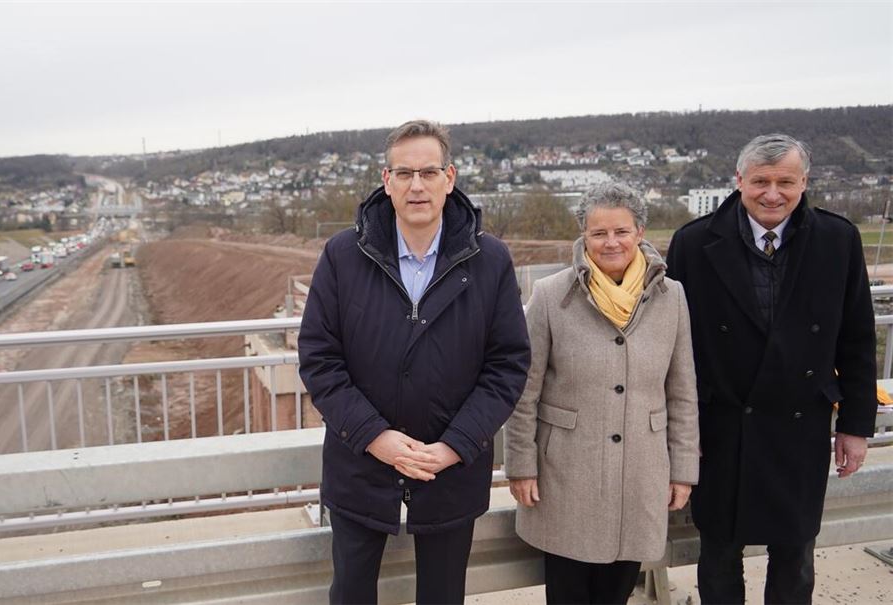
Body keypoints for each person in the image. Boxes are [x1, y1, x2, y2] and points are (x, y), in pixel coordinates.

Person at [298, 119, 531, 605]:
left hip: (450, 471)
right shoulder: (344, 254)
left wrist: (454, 445)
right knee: (352, 592)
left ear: (451, 177)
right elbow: (320, 360)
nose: (417, 186)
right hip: (359, 466)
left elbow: (507, 366)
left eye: (428, 172)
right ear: (386, 181)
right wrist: (374, 437)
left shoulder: (489, 260)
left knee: (443, 596)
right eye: (404, 174)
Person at [666, 133, 878, 604]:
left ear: (804, 182)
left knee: (795, 557)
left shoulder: (838, 240)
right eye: (760, 180)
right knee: (719, 554)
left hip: (799, 426)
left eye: (786, 181)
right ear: (739, 181)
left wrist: (856, 426)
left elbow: (858, 339)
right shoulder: (694, 242)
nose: (772, 193)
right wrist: (681, 430)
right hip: (720, 426)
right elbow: (675, 350)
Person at [503, 182, 700, 604]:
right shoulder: (552, 295)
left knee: (616, 594)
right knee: (569, 594)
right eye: (599, 233)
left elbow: (683, 392)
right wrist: (520, 465)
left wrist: (683, 469)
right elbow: (524, 391)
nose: (611, 242)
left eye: (621, 231)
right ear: (584, 236)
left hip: (641, 474)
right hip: (566, 476)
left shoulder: (673, 297)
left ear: (640, 232)